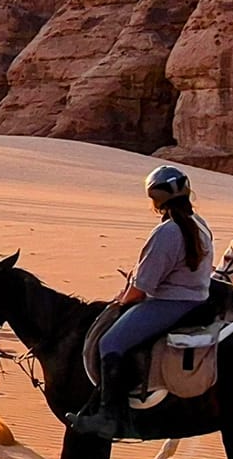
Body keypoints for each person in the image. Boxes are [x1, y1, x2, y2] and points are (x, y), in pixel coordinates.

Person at [66, 165, 214, 439]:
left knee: (110, 343)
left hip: (169, 304)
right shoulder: (200, 225)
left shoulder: (167, 233)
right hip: (198, 302)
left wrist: (122, 299)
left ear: (156, 200)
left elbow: (142, 289)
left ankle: (109, 416)